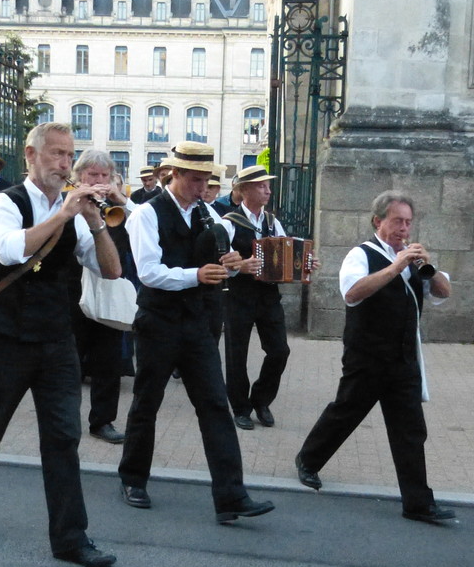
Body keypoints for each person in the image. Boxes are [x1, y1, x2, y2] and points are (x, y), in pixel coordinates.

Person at [0, 122, 120, 567]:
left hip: (57, 340)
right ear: (31, 155)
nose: (64, 164)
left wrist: (97, 221)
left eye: (69, 156)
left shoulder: (76, 209)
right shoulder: (8, 201)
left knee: (63, 438)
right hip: (6, 340)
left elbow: (112, 271)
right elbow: (7, 252)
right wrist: (62, 214)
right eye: (57, 154)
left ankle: (70, 538)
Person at [116, 141, 276, 523]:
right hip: (158, 322)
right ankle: (132, 478)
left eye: (206, 179)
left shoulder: (208, 214)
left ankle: (231, 496)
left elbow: (222, 262)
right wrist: (196, 275)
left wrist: (235, 264)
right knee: (147, 401)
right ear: (174, 174)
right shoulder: (147, 214)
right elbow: (148, 271)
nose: (201, 186)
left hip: (197, 323)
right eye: (194, 179)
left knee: (215, 405)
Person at [295, 191, 456, 525]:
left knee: (410, 430)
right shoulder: (360, 254)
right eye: (397, 221)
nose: (404, 229)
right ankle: (308, 460)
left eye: (408, 222)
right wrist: (396, 266)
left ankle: (418, 503)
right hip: (367, 356)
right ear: (378, 221)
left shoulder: (413, 260)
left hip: (403, 358)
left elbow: (443, 292)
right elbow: (352, 293)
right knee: (345, 412)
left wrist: (430, 267)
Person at [220, 164, 306, 428]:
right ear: (244, 190)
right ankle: (240, 408)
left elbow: (286, 252)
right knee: (237, 354)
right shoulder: (228, 223)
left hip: (268, 296)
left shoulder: (272, 221)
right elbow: (218, 262)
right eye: (261, 186)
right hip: (238, 296)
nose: (268, 190)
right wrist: (238, 268)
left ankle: (261, 399)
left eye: (268, 186)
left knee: (279, 350)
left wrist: (303, 263)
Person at [67, 149, 131, 444]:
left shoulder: (117, 204)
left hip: (107, 289)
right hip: (71, 290)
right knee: (70, 359)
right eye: (93, 175)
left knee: (109, 359)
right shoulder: (68, 201)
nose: (99, 180)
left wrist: (121, 201)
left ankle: (102, 420)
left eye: (105, 175)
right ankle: (66, 418)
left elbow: (143, 226)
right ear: (79, 176)